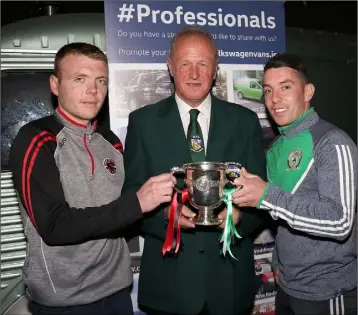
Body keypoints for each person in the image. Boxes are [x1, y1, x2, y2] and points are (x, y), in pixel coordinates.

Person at [9, 42, 175, 315]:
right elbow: (54, 226)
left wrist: (168, 214)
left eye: (101, 81)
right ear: (55, 85)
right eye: (79, 79)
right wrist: (137, 203)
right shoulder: (37, 140)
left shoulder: (110, 141)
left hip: (119, 291)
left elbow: (123, 216)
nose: (93, 90)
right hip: (65, 302)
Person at [122, 27, 268, 315]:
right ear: (170, 66)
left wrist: (239, 217)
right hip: (169, 286)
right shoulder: (143, 123)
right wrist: (165, 216)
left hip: (229, 283)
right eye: (185, 63)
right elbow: (131, 199)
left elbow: (262, 198)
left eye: (203, 64)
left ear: (215, 69)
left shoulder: (245, 121)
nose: (194, 73)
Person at [233, 53, 357, 315]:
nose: (274, 98)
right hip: (287, 285)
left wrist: (266, 195)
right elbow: (284, 218)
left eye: (285, 87)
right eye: (268, 90)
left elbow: (340, 221)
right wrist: (277, 259)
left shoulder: (333, 142)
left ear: (308, 91)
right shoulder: (277, 147)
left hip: (328, 291)